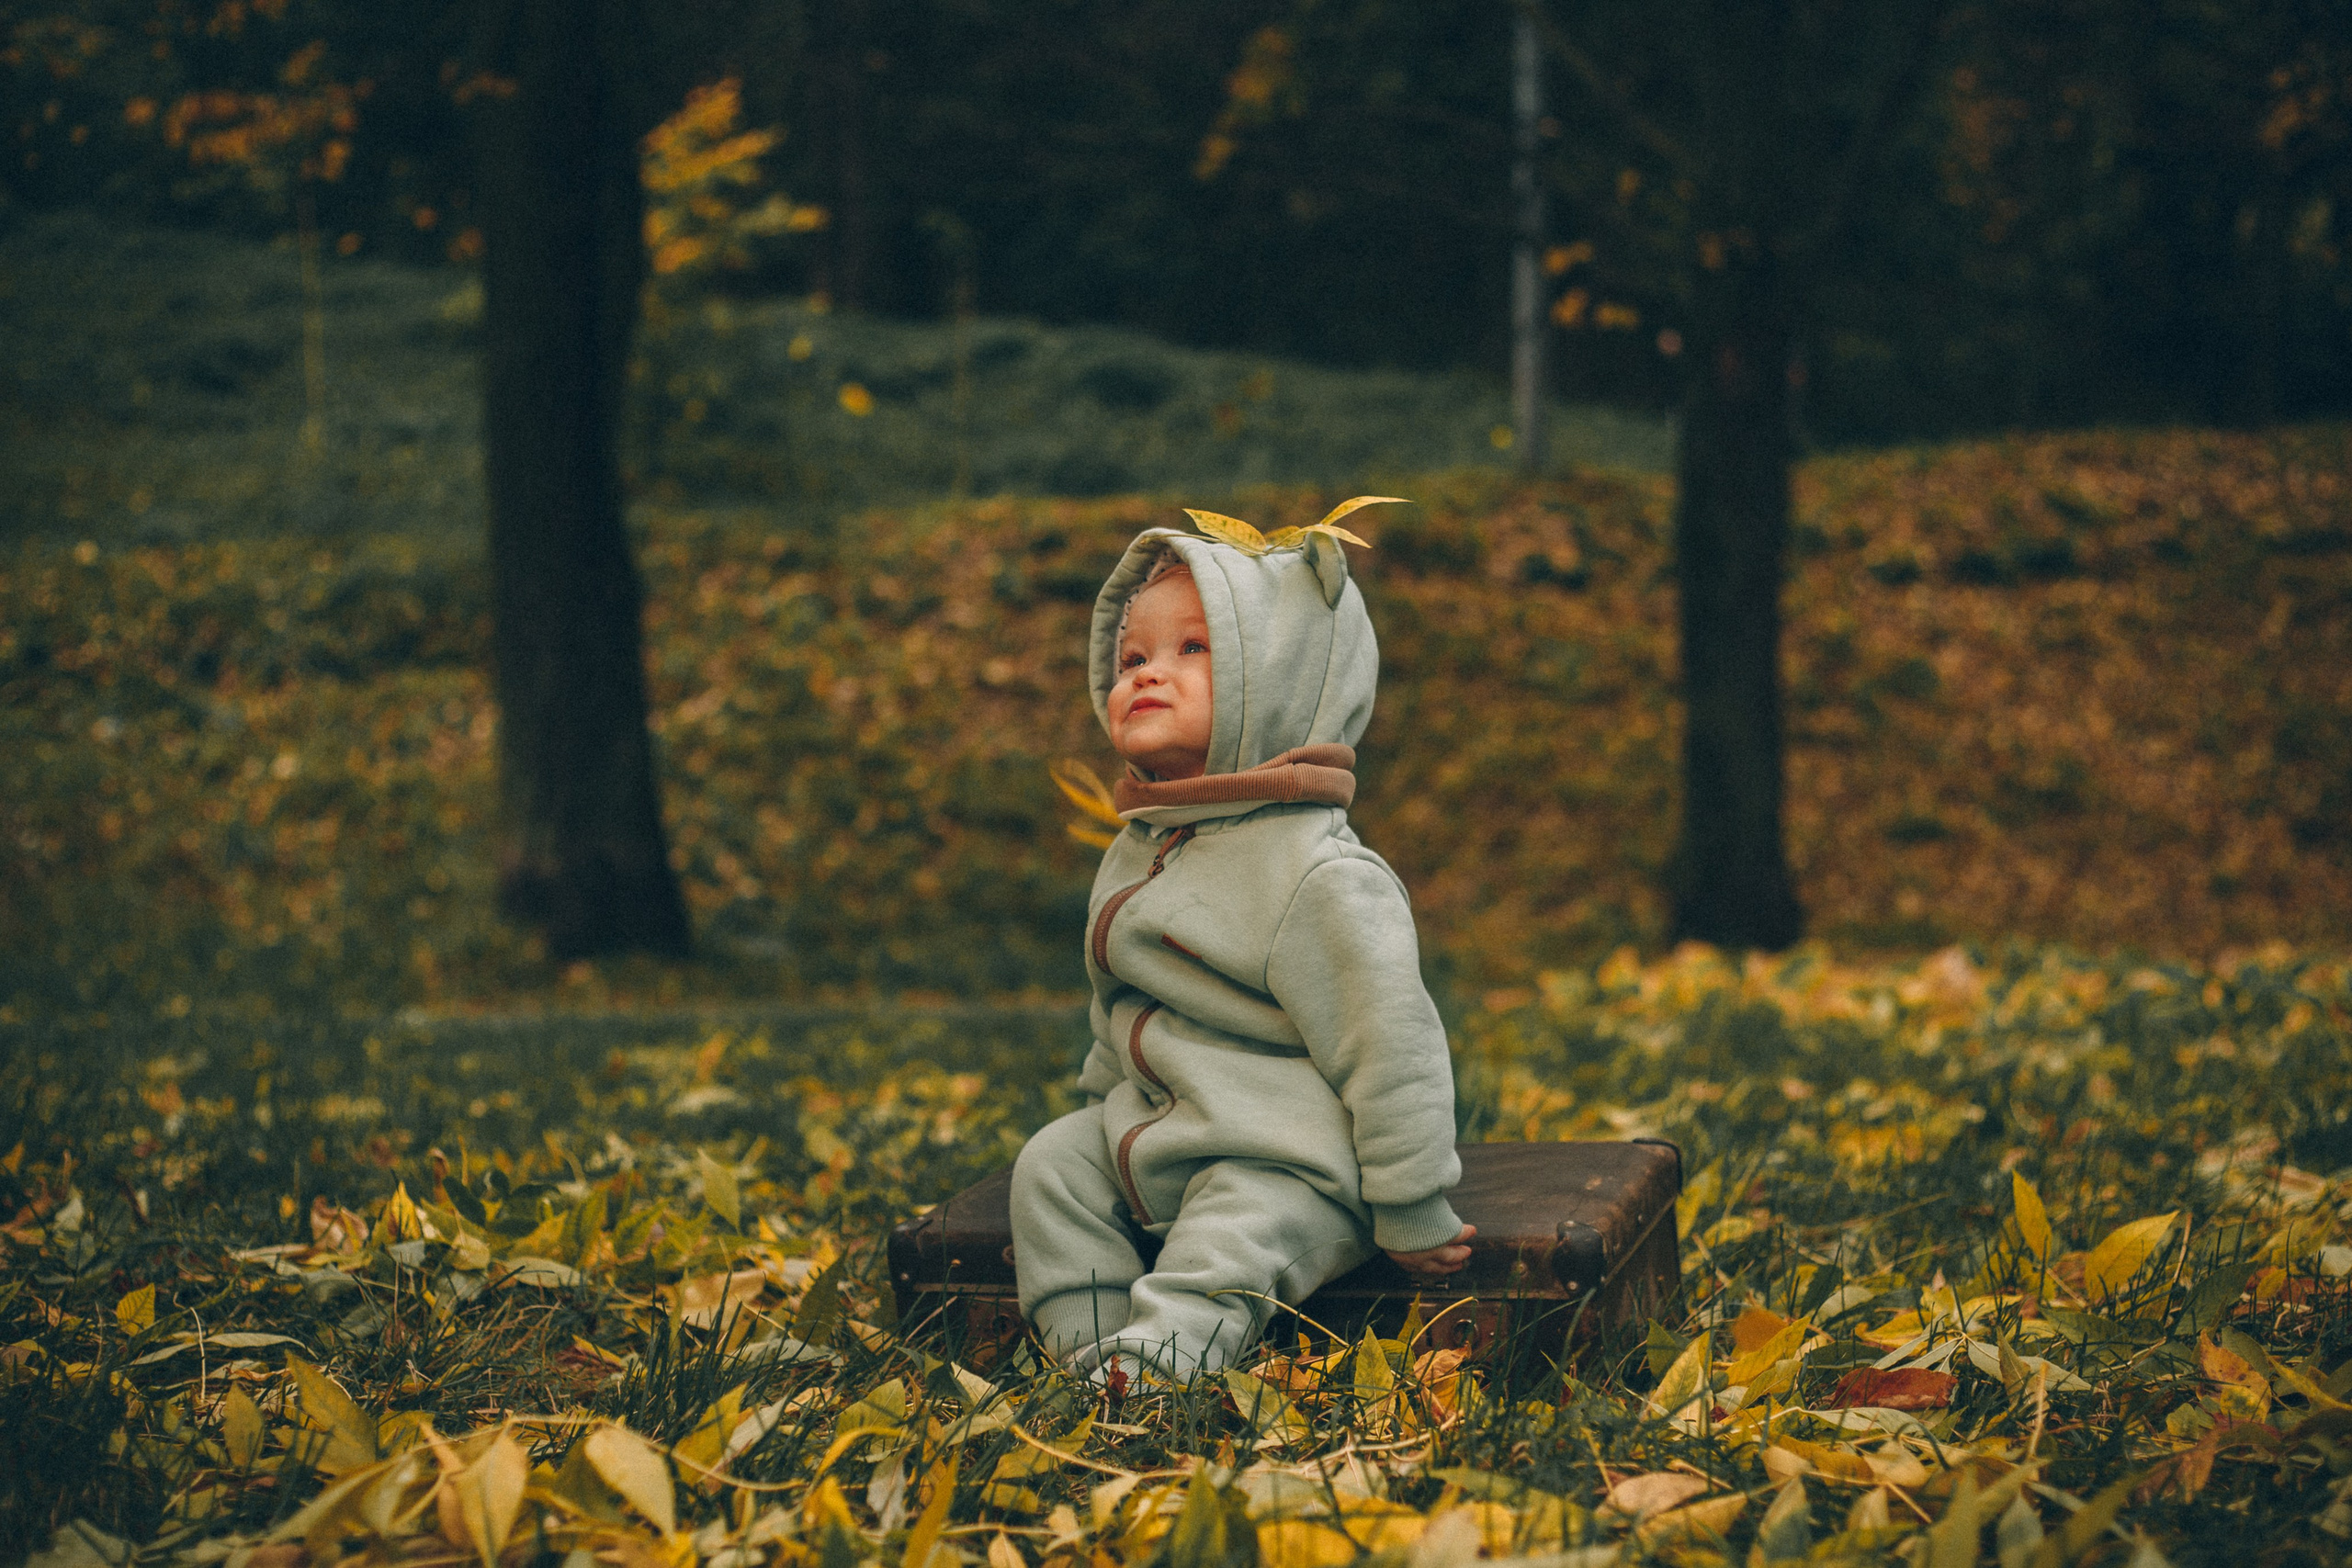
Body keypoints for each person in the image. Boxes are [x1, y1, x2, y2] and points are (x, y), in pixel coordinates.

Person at [1009, 514, 1474, 1381]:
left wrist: (1412, 1207)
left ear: (1287, 677)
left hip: (1289, 1164)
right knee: (1049, 1170)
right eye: (1132, 658)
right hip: (1160, 1136)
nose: (1150, 671)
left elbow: (1391, 1044)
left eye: (1194, 648)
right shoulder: (1143, 847)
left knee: (1234, 1231)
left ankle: (1158, 1364)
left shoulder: (1316, 871)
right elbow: (1120, 1009)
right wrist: (1106, 1107)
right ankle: (1087, 1353)